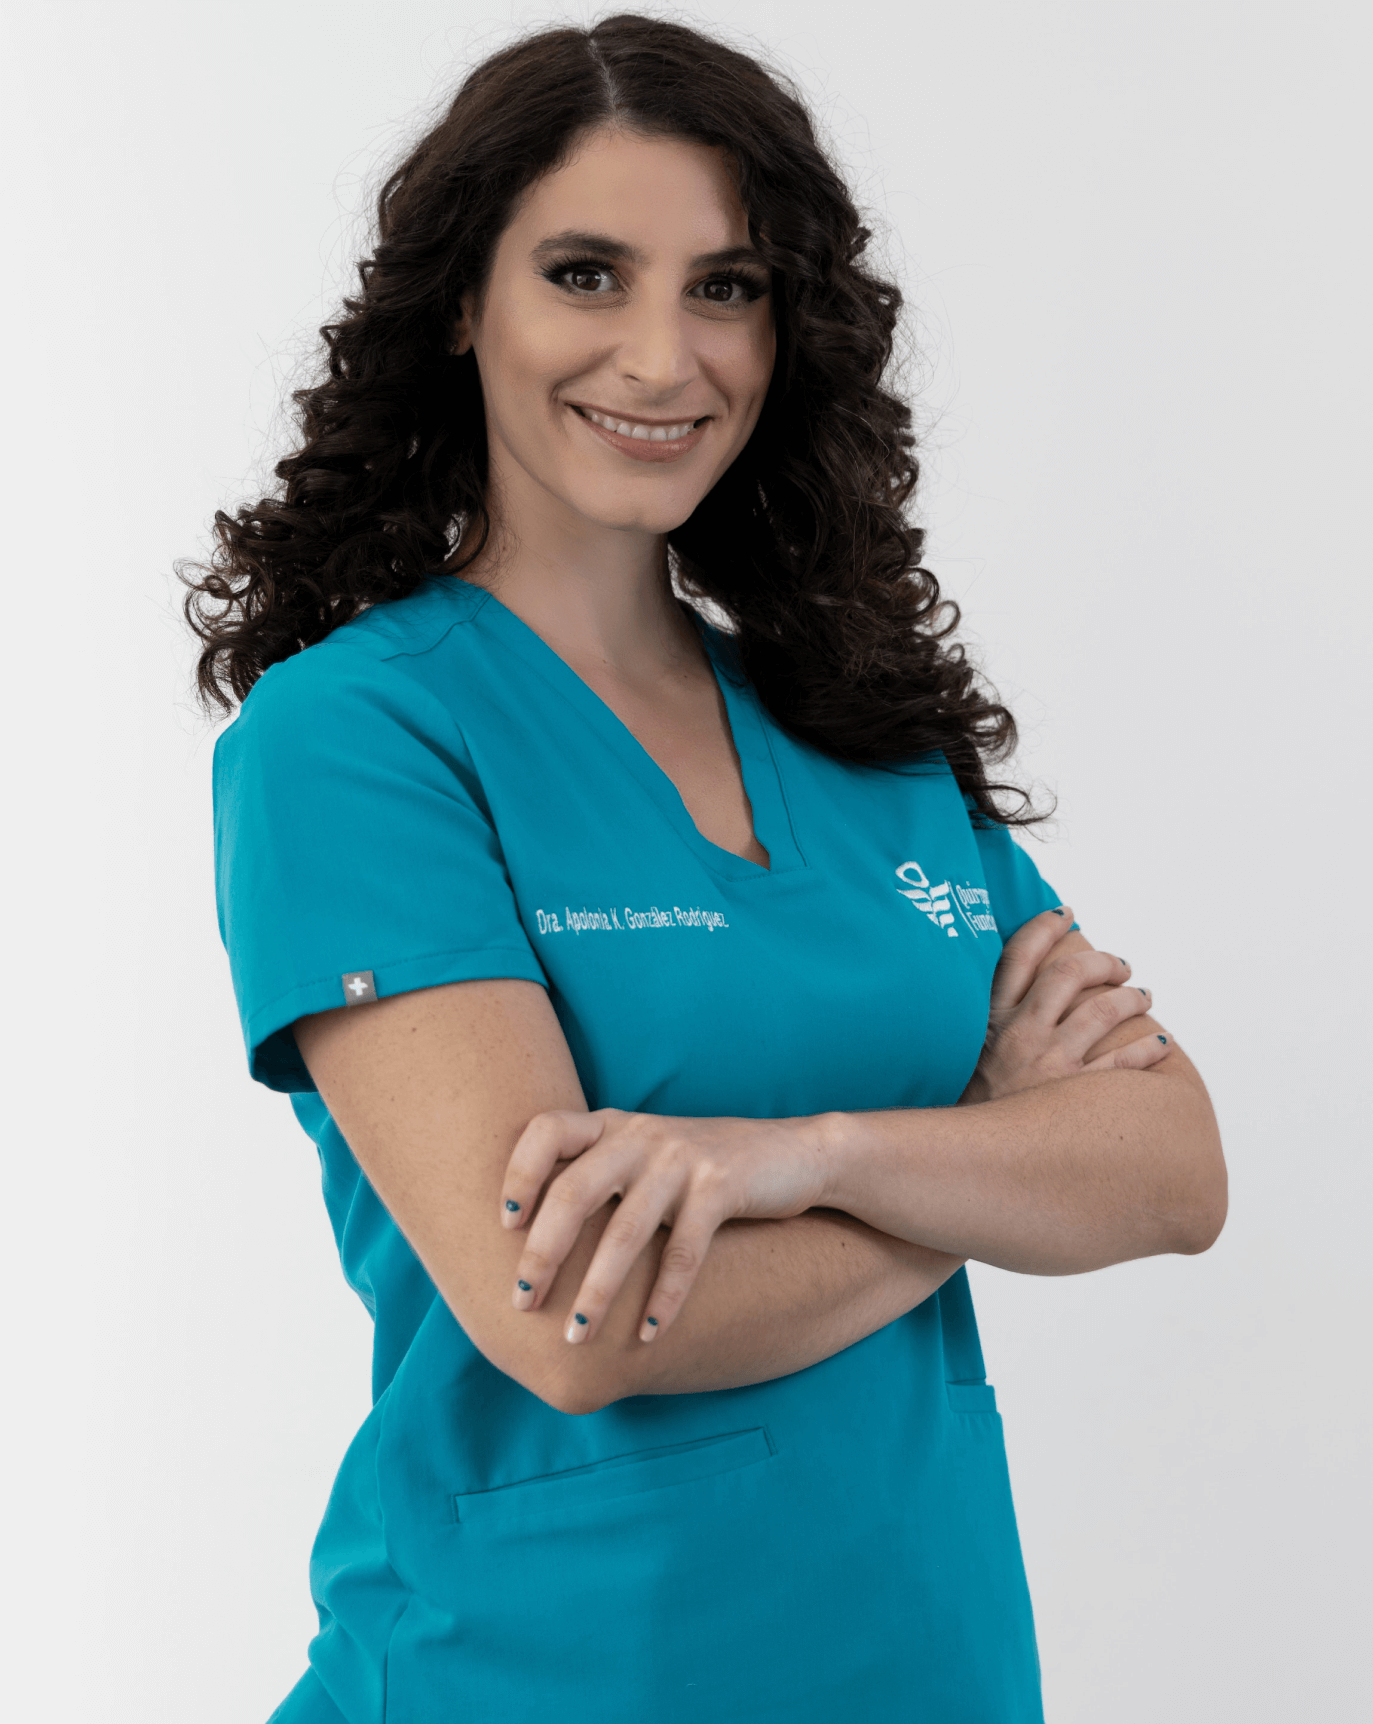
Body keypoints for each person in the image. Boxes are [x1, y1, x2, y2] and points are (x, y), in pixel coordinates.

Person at [186, 16, 1227, 1723]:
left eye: (726, 287)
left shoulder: (861, 730)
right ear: (461, 305)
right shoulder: (356, 738)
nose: (664, 358)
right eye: (585, 274)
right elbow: (576, 1323)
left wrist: (808, 1154)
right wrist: (985, 1157)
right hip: (538, 1674)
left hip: (932, 1668)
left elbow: (1173, 1174)